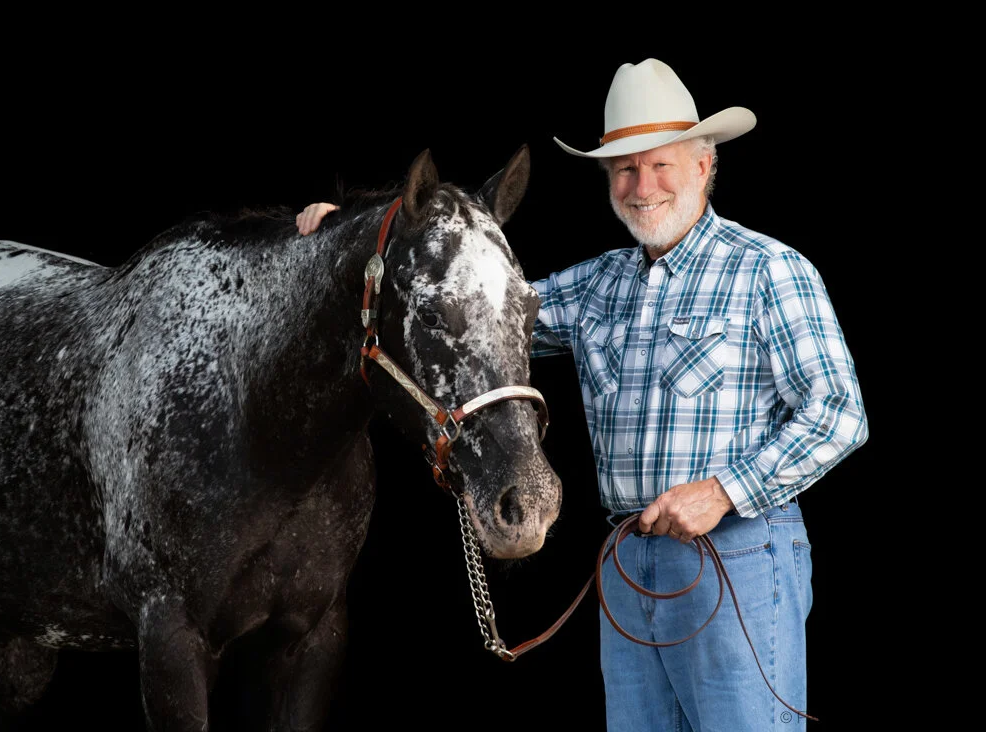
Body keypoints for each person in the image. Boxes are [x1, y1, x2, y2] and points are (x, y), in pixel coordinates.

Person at [296, 58, 868, 730]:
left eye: (661, 165)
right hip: (626, 559)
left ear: (704, 168)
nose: (642, 185)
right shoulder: (600, 285)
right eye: (624, 169)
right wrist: (354, 241)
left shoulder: (768, 270)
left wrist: (724, 491)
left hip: (736, 553)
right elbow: (471, 312)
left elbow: (839, 413)